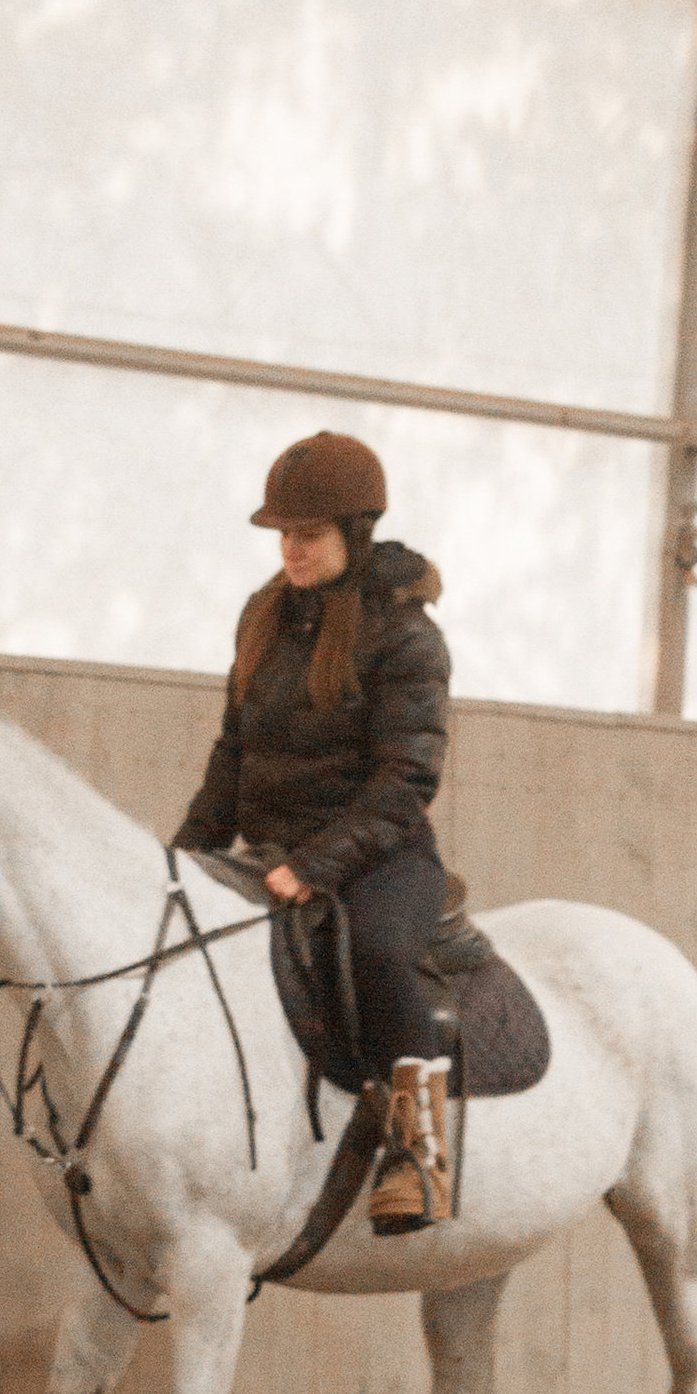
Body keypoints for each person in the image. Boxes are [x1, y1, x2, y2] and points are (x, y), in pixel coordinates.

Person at [174, 433, 455, 1232]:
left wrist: (315, 865)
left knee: (377, 953)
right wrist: (187, 854)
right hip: (269, 855)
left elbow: (407, 781)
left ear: (354, 533)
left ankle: (420, 1154)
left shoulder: (407, 637)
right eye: (283, 534)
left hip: (378, 858)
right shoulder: (263, 618)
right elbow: (233, 752)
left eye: (309, 534)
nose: (290, 549)